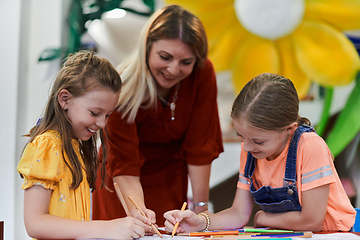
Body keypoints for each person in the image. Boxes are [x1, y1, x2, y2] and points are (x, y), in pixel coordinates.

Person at [164, 73, 356, 233]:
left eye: (258, 141)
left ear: (289, 129)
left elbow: (311, 221)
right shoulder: (250, 150)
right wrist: (200, 222)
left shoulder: (311, 147)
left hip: (332, 235)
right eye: (240, 137)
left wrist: (263, 217)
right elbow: (238, 213)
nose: (247, 147)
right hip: (289, 235)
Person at [92, 4, 224, 228]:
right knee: (134, 229)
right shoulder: (122, 89)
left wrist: (202, 210)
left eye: (186, 62)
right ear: (146, 48)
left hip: (170, 179)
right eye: (165, 57)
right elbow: (124, 165)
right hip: (122, 186)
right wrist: (138, 213)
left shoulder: (202, 74)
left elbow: (200, 147)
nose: (173, 70)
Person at [17, 51, 149, 240]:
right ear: (65, 99)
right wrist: (107, 228)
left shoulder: (75, 146)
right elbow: (35, 224)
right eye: (95, 113)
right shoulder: (47, 146)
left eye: (107, 115)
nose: (103, 124)